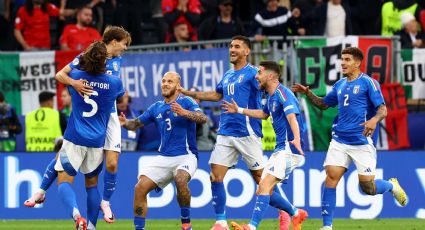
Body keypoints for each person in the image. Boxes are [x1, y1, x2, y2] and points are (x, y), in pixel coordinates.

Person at [178, 35, 294, 230]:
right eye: (231, 46)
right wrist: (189, 93)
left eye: (237, 47)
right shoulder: (227, 74)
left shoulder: (253, 73)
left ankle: (289, 210)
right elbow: (216, 95)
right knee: (215, 175)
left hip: (248, 132)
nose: (232, 49)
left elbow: (270, 82)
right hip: (226, 131)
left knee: (261, 181)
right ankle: (221, 221)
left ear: (247, 51)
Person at [291, 47, 408, 230]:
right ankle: (327, 226)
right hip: (339, 140)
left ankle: (391, 186)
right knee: (331, 177)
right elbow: (323, 104)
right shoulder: (339, 85)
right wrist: (308, 93)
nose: (343, 63)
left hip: (361, 141)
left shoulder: (368, 83)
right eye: (342, 59)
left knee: (368, 188)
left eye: (347, 59)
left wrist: (373, 121)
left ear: (357, 63)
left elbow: (382, 110)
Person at [24, 26, 131, 224]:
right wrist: (77, 84)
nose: (125, 48)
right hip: (99, 128)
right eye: (124, 44)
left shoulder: (81, 74)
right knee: (90, 181)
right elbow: (61, 74)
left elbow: (62, 77)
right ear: (113, 42)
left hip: (89, 125)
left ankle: (89, 210)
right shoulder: (110, 80)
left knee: (70, 170)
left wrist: (75, 83)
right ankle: (41, 192)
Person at [221, 61, 308, 230]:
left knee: (265, 186)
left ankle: (252, 227)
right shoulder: (270, 96)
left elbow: (292, 117)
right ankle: (297, 214)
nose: (256, 76)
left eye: (259, 72)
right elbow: (263, 114)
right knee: (262, 189)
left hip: (289, 147)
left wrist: (297, 139)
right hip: (280, 148)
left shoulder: (284, 94)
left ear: (270, 76)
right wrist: (239, 110)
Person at [119, 72, 207, 230]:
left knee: (180, 179)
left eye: (170, 81)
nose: (165, 84)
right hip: (164, 157)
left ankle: (186, 225)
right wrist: (125, 122)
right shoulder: (156, 107)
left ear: (178, 86)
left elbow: (203, 118)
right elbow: (136, 124)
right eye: (164, 81)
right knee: (139, 188)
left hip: (186, 155)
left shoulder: (186, 101)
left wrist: (184, 113)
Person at [54, 41, 125, 230]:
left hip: (75, 139)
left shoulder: (76, 76)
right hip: (97, 142)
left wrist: (74, 82)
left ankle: (78, 218)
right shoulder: (115, 83)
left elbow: (61, 76)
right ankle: (92, 227)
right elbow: (119, 95)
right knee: (92, 186)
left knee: (64, 181)